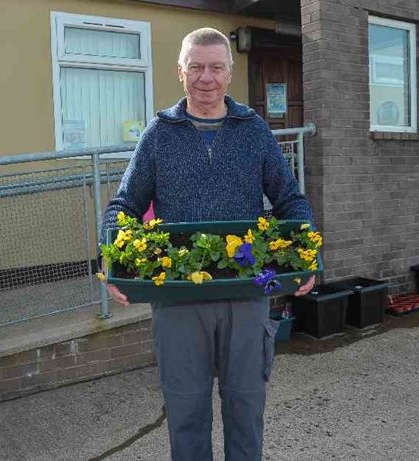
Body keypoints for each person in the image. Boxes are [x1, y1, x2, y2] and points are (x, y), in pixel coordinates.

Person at [101, 28, 315, 460]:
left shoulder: (253, 131)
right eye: (196, 67)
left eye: (216, 67)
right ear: (181, 72)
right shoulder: (159, 133)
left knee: (245, 405)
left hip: (247, 291)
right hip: (178, 297)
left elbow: (289, 197)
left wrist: (306, 254)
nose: (206, 77)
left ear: (229, 73)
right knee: (185, 410)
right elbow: (124, 204)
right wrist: (113, 261)